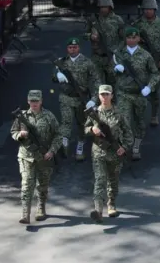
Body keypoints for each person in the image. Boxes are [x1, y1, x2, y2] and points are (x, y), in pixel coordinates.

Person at [10, 89, 62, 224]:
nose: (34, 103)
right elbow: (13, 132)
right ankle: (25, 214)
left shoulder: (49, 116)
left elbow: (58, 135)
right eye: (32, 101)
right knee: (27, 184)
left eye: (36, 101)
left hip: (44, 157)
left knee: (42, 185)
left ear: (41, 101)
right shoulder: (21, 116)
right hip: (26, 156)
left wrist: (52, 151)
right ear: (28, 101)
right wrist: (19, 135)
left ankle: (41, 208)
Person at [84, 84, 133, 223]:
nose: (104, 97)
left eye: (107, 94)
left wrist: (124, 147)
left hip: (115, 153)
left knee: (113, 180)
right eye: (102, 94)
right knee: (100, 180)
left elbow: (128, 132)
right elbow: (85, 129)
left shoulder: (119, 113)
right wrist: (92, 129)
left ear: (112, 95)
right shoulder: (94, 113)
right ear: (98, 96)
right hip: (99, 152)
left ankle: (111, 203)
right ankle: (98, 210)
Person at [111, 26, 160, 160]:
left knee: (139, 122)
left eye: (134, 37)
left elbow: (155, 74)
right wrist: (116, 69)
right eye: (129, 38)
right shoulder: (118, 54)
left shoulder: (146, 55)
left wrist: (149, 87)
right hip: (123, 93)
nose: (131, 40)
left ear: (138, 38)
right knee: (123, 120)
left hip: (139, 94)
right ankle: (124, 146)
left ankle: (136, 146)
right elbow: (110, 71)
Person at [52, 37, 103, 161]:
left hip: (82, 99)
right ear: (67, 49)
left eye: (75, 47)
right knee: (66, 122)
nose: (72, 49)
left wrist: (94, 99)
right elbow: (53, 76)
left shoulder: (87, 63)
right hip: (66, 98)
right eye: (70, 47)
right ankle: (64, 144)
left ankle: (80, 147)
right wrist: (57, 74)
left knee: (82, 124)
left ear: (79, 48)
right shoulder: (61, 62)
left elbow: (97, 81)